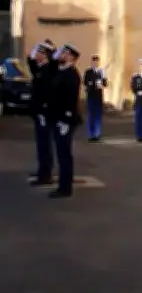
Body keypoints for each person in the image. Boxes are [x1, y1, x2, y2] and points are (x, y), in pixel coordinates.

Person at [49, 44, 82, 199]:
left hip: (65, 120)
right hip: (59, 118)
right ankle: (63, 185)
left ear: (70, 56)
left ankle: (65, 187)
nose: (60, 55)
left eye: (63, 53)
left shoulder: (72, 74)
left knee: (64, 154)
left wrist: (65, 119)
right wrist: (55, 57)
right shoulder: (61, 71)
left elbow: (71, 99)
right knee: (61, 153)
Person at [27, 42, 57, 185]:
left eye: (38, 52)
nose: (35, 54)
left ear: (44, 54)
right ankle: (42, 171)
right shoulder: (40, 68)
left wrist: (44, 111)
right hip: (39, 112)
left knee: (44, 144)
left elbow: (47, 93)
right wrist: (31, 57)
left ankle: (45, 175)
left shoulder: (48, 70)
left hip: (44, 113)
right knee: (41, 144)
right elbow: (33, 67)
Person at [83, 55, 108, 142]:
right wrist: (92, 83)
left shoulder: (101, 72)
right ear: (92, 62)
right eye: (94, 62)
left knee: (98, 116)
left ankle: (97, 134)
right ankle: (91, 134)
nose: (95, 63)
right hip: (91, 95)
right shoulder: (88, 71)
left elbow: (105, 84)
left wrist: (104, 78)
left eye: (97, 62)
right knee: (91, 115)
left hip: (98, 96)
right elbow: (85, 82)